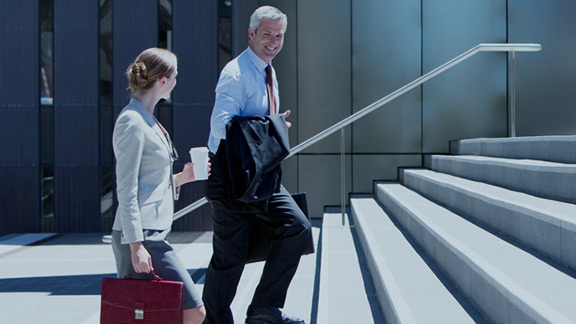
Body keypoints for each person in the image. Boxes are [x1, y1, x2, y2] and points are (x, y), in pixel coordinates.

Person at [203, 6, 311, 324]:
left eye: (279, 36)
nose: (274, 42)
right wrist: (269, 128)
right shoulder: (236, 73)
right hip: (230, 175)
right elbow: (219, 126)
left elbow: (254, 125)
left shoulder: (268, 70)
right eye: (267, 34)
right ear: (251, 34)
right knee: (230, 258)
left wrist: (273, 127)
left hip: (260, 174)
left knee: (297, 227)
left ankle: (264, 308)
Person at [111, 47, 206, 324]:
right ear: (163, 81)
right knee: (192, 310)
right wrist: (136, 245)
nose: (177, 82)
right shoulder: (132, 121)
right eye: (175, 76)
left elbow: (148, 185)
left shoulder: (147, 120)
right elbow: (126, 188)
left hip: (150, 233)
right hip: (141, 237)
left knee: (158, 315)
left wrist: (181, 179)